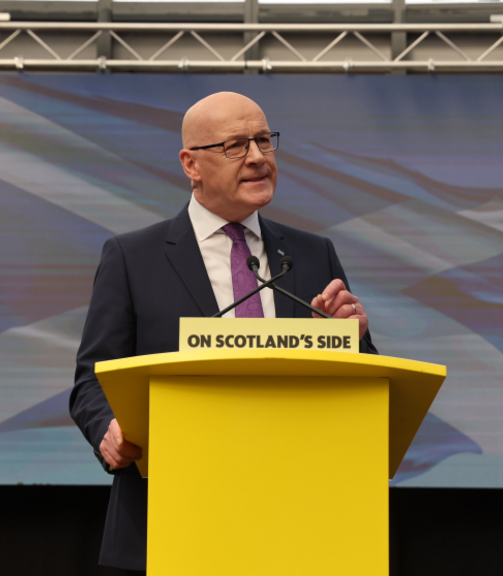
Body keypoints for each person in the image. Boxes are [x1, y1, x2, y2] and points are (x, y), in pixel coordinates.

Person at [69, 91, 377, 573]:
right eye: (235, 145)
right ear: (191, 164)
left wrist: (351, 339)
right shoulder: (133, 258)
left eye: (263, 140)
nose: (257, 157)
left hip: (296, 524)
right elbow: (92, 379)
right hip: (169, 522)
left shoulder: (315, 254)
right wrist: (107, 429)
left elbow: (363, 385)